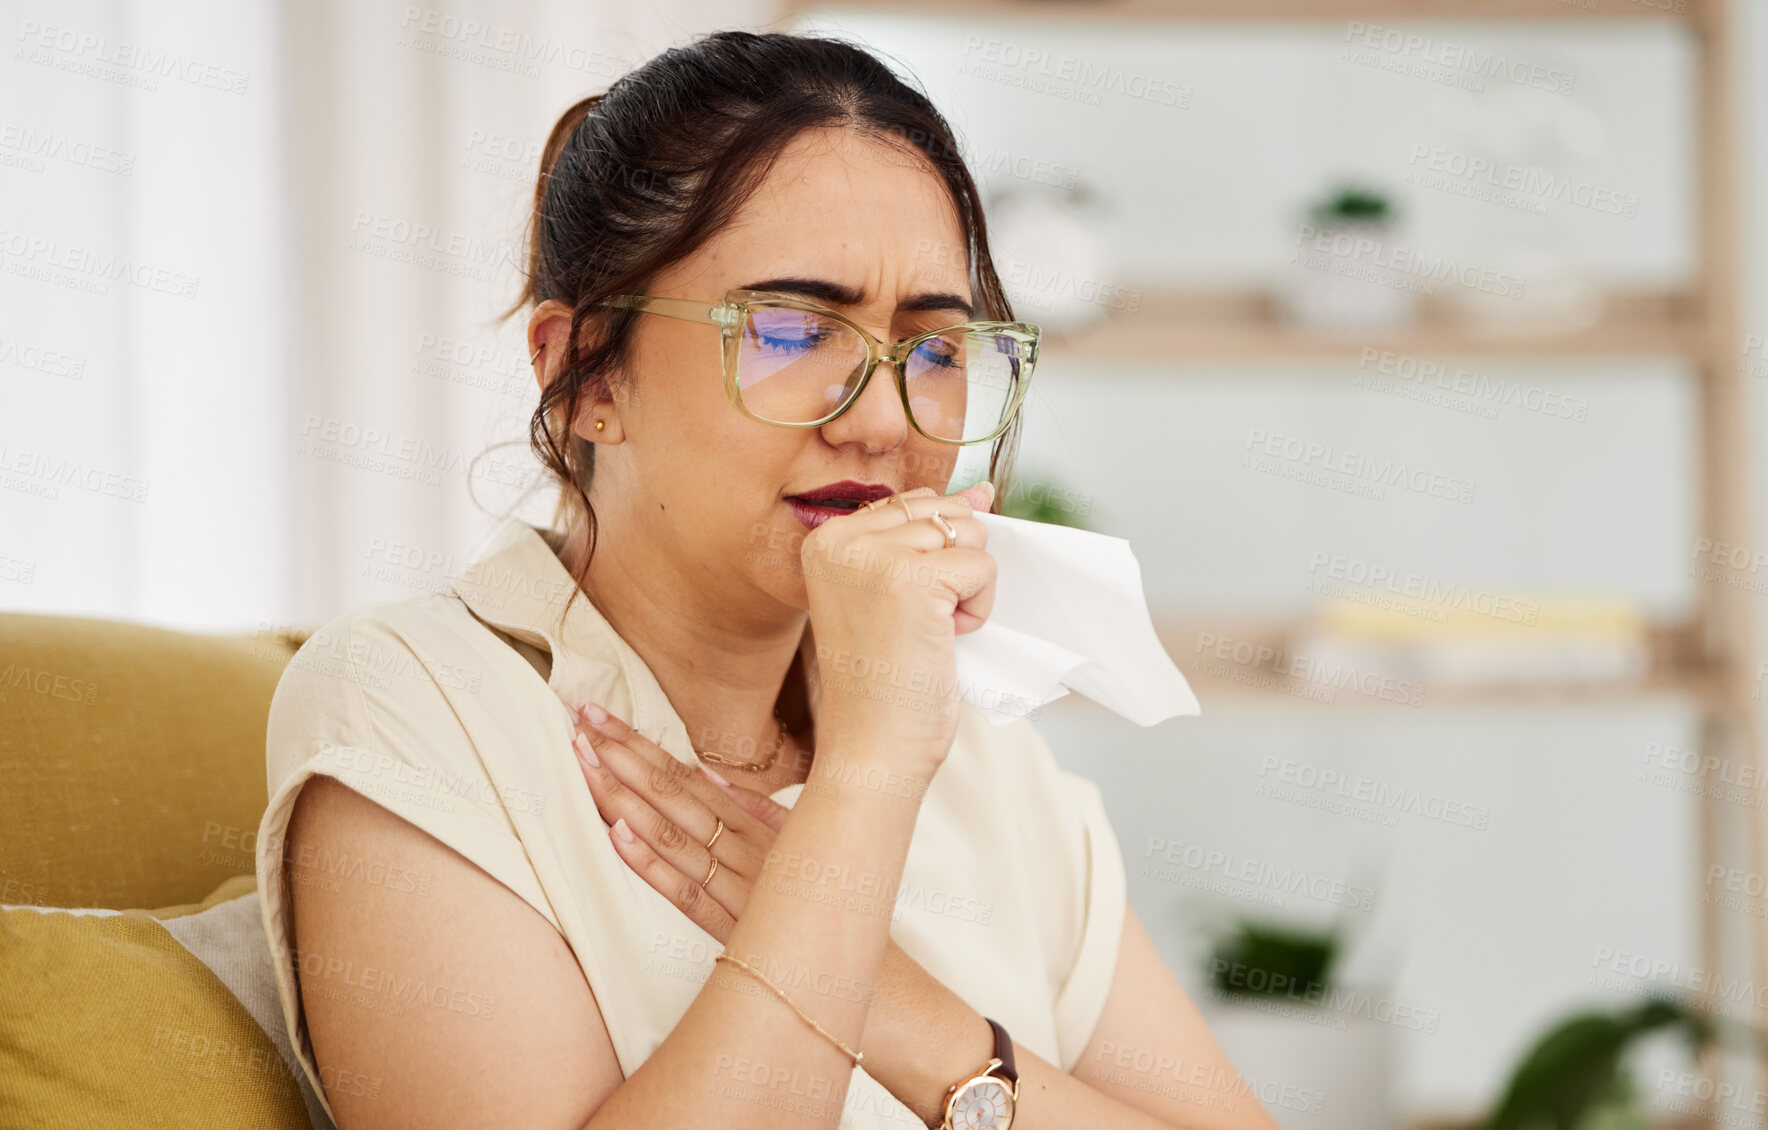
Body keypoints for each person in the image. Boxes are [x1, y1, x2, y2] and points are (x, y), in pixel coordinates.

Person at [255, 28, 1276, 1130]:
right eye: (790, 330)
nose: (885, 421)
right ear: (584, 376)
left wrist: (908, 1013)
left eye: (935, 350)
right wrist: (865, 783)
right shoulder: (412, 704)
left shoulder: (983, 755)